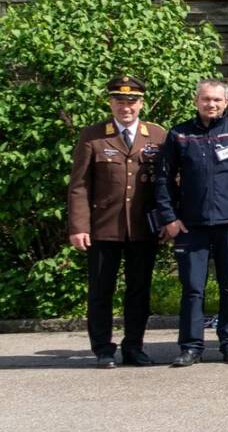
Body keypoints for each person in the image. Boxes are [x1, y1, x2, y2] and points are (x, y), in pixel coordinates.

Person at [154, 78, 228, 366]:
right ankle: (191, 347)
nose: (211, 104)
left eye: (217, 100)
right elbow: (164, 180)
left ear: (226, 102)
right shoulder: (179, 134)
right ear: (196, 101)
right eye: (206, 99)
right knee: (192, 288)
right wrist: (170, 219)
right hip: (191, 226)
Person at [67, 75, 166, 367]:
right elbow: (79, 185)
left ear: (141, 103)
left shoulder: (158, 136)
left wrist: (167, 221)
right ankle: (103, 349)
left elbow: (170, 182)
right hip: (103, 227)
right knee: (101, 290)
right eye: (120, 101)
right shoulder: (94, 135)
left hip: (143, 228)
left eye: (132, 101)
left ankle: (134, 346)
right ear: (110, 102)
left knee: (139, 291)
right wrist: (79, 226)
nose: (126, 107)